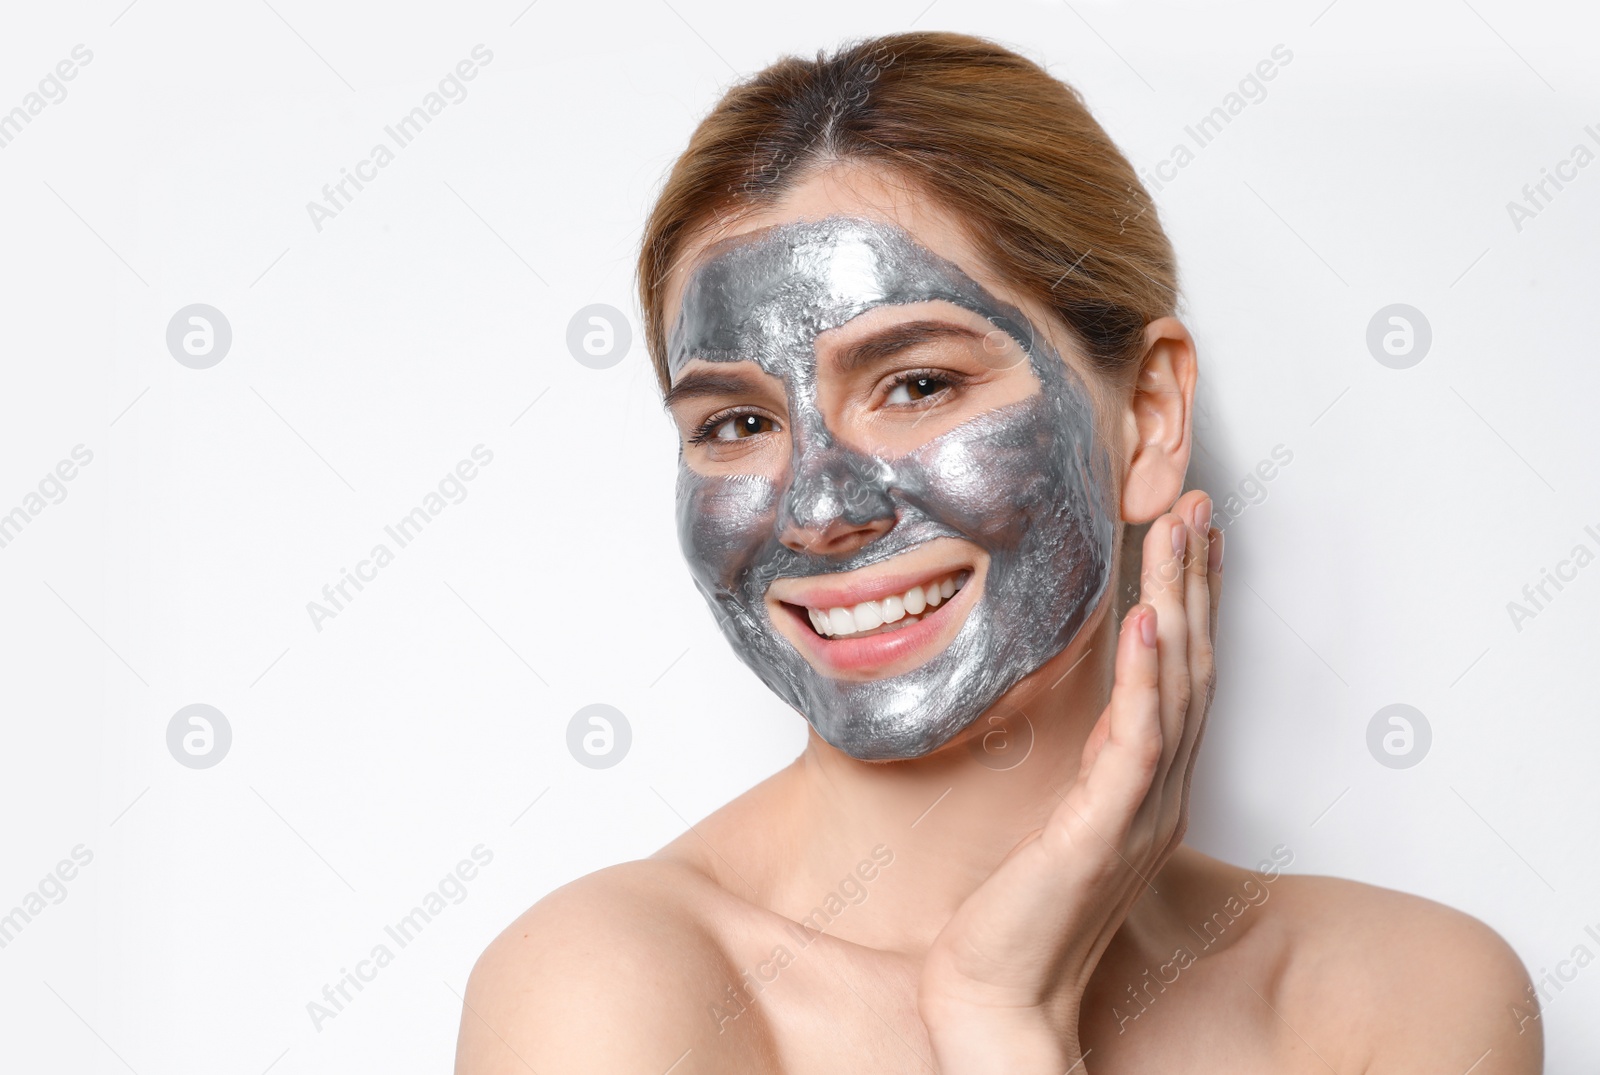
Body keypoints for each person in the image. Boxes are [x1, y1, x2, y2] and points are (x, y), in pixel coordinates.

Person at [456, 31, 1539, 1073]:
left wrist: (1002, 1020)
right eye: (735, 423)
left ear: (1150, 413)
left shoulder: (1405, 997)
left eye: (918, 383)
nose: (819, 508)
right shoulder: (604, 992)